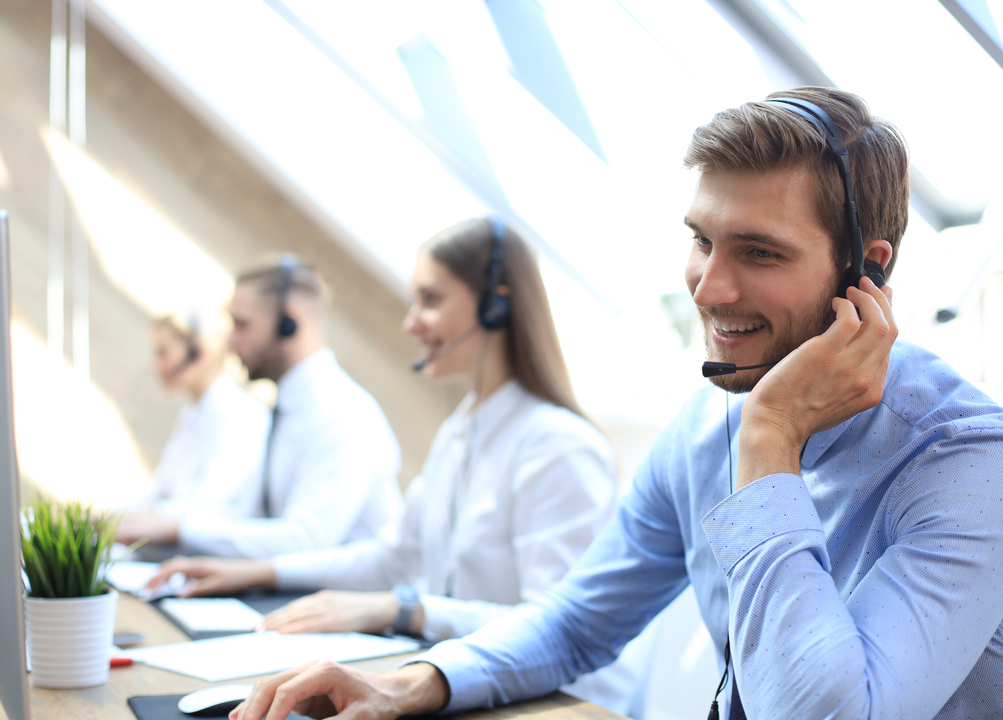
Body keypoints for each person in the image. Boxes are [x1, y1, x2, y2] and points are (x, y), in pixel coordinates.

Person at [228, 87, 1003, 720]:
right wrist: (416, 682)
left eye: (759, 253)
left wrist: (771, 439)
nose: (709, 287)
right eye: (703, 240)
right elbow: (576, 620)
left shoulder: (968, 464)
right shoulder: (708, 424)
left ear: (864, 269)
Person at [149, 218, 655, 716]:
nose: (410, 322)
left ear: (496, 305)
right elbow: (395, 558)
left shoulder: (558, 447)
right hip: (474, 687)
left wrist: (404, 607)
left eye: (430, 300)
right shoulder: (461, 432)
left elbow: (552, 632)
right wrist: (252, 572)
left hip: (560, 706)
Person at [118, 255, 404, 558]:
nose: (229, 343)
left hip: (351, 599)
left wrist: (180, 528)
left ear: (288, 324)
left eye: (241, 325)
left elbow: (307, 541)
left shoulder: (344, 414)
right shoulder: (285, 409)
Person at [122, 309, 270, 522]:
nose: (155, 365)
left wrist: (128, 523)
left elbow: (209, 508)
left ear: (199, 353)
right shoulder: (194, 410)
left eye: (163, 353)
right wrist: (112, 518)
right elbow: (163, 489)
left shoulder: (240, 414)